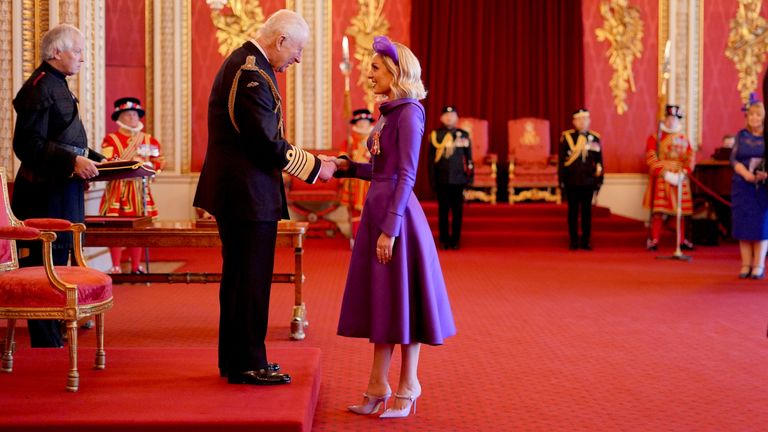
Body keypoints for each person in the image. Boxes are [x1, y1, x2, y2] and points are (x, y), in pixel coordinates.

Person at [193, 10, 336, 386]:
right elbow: (264, 142)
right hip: (246, 196)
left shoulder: (249, 64)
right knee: (250, 281)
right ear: (281, 41)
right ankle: (247, 364)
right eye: (298, 50)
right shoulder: (251, 72)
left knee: (241, 279)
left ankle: (236, 359)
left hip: (243, 194)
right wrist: (314, 166)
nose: (298, 58)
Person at [331, 36, 456, 419]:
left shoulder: (410, 113)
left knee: (405, 302)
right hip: (380, 210)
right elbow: (384, 171)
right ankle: (377, 384)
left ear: (396, 72)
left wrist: (391, 228)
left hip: (396, 218)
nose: (368, 74)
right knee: (386, 303)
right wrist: (349, 167)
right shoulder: (390, 112)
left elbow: (406, 175)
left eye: (375, 68)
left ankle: (409, 385)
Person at [11, 23, 105, 347]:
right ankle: (46, 342)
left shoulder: (58, 84)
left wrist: (100, 161)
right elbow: (27, 145)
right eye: (77, 50)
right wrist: (72, 163)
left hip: (62, 192)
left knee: (61, 263)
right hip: (44, 196)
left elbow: (67, 138)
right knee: (45, 266)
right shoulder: (39, 86)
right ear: (56, 53)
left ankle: (55, 336)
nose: (82, 57)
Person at [99, 97, 165, 274]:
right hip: (117, 190)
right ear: (119, 118)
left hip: (140, 190)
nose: (132, 118)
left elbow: (159, 161)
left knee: (139, 229)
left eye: (135, 115)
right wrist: (130, 163)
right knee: (115, 229)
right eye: (128, 115)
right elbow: (108, 161)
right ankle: (115, 266)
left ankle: (136, 266)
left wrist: (151, 167)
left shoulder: (149, 139)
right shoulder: (110, 139)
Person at [643, 104, 695, 251]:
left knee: (681, 212)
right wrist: (664, 173)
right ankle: (654, 239)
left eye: (675, 118)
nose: (671, 121)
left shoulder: (684, 139)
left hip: (680, 177)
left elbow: (690, 158)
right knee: (658, 211)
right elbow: (651, 157)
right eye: (669, 118)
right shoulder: (655, 138)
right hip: (662, 177)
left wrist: (684, 173)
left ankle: (681, 239)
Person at [730, 94, 768, 279]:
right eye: (751, 115)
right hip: (742, 186)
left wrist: (765, 174)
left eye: (758, 115)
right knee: (743, 227)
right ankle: (745, 265)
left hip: (762, 188)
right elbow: (733, 158)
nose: (754, 118)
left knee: (761, 228)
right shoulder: (741, 135)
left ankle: (758, 265)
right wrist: (745, 173)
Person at [428, 105, 473, 250]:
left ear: (457, 118)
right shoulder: (435, 135)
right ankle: (444, 240)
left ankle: (455, 240)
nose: (449, 118)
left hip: (459, 180)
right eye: (446, 115)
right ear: (441, 118)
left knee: (457, 212)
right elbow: (430, 161)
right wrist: (433, 181)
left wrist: (469, 179)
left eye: (452, 115)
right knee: (443, 211)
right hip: (442, 180)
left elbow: (469, 160)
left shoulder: (463, 135)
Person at [558, 108, 604, 250]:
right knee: (572, 212)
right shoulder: (567, 137)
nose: (582, 122)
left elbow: (599, 162)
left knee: (586, 213)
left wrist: (600, 180)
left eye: (585, 119)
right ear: (574, 121)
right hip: (572, 181)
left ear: (589, 121)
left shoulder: (594, 138)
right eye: (579, 119)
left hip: (588, 181)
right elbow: (561, 162)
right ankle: (573, 240)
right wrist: (561, 181)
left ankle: (586, 240)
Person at [340, 108, 374, 242]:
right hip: (354, 180)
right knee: (353, 210)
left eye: (365, 121)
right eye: (360, 121)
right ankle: (355, 237)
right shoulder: (350, 139)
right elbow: (342, 158)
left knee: (371, 208)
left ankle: (369, 238)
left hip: (369, 180)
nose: (363, 124)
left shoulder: (375, 137)